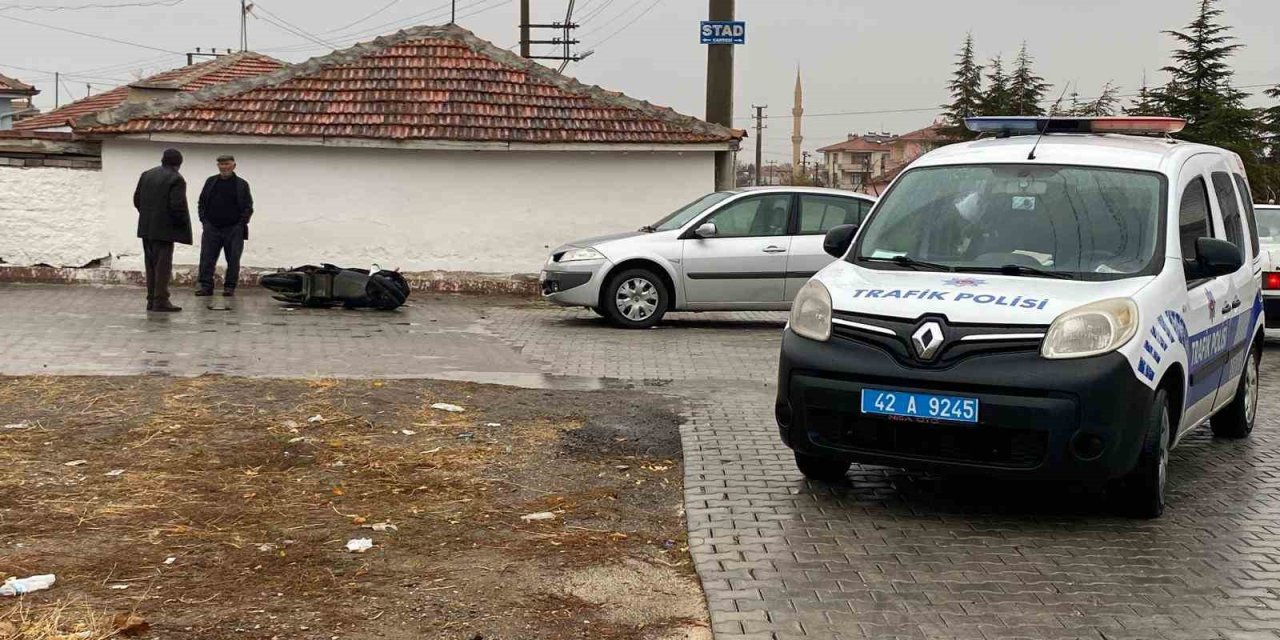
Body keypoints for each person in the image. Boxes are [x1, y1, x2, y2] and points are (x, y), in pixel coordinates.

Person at [133, 148, 192, 312]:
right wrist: (179, 225)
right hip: (165, 231)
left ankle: (151, 299)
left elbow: (137, 199)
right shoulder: (176, 179)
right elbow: (177, 206)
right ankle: (161, 300)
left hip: (146, 228)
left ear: (162, 160)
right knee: (162, 267)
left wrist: (148, 216)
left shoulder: (147, 175)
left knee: (150, 265)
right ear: (179, 163)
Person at [196, 154, 254, 296]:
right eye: (221, 164)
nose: (224, 167)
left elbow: (248, 206)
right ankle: (206, 286)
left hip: (234, 229)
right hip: (212, 228)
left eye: (227, 164)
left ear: (234, 165)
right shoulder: (210, 182)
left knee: (233, 259)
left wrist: (241, 224)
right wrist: (204, 221)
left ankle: (229, 287)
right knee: (207, 258)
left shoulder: (241, 184)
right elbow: (202, 202)